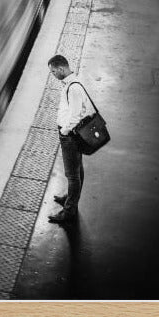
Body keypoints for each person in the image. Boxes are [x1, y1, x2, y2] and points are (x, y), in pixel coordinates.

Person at [47, 54, 96, 224]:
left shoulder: (73, 88)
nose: (53, 74)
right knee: (77, 168)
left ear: (61, 69)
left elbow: (75, 116)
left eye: (53, 71)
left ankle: (69, 210)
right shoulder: (71, 83)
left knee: (72, 174)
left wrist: (65, 132)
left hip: (70, 136)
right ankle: (70, 197)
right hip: (71, 135)